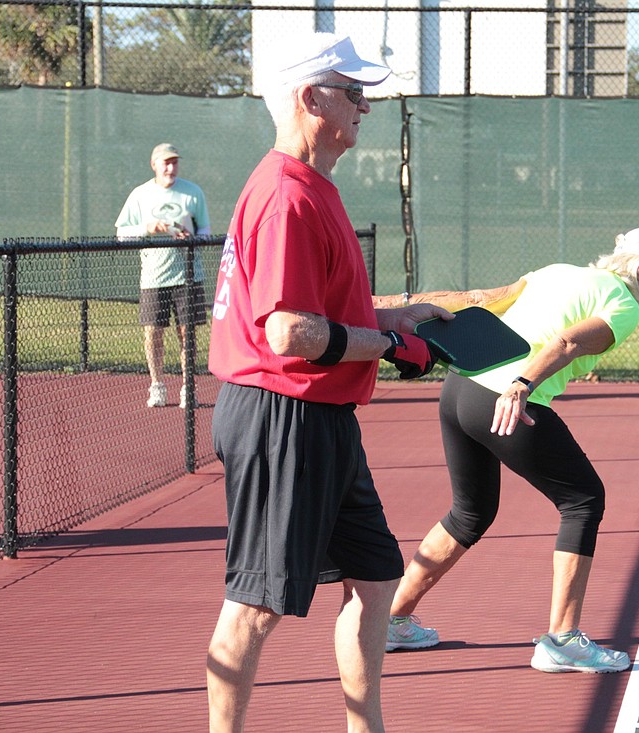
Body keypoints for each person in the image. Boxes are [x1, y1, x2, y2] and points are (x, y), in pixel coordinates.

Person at [204, 33, 451, 733]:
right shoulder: (286, 195)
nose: (365, 107)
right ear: (312, 98)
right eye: (355, 93)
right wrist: (392, 345)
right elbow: (290, 333)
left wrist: (395, 318)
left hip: (322, 418)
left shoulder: (314, 188)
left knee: (376, 580)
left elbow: (320, 313)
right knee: (257, 604)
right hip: (284, 415)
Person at [382, 227, 639, 673]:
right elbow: (566, 343)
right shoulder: (624, 304)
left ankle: (392, 619)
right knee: (584, 499)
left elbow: (478, 299)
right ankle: (563, 640)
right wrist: (521, 385)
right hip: (503, 397)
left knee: (470, 512)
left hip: (459, 390)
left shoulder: (556, 272)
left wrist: (392, 304)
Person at [115, 142, 212, 408]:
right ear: (154, 164)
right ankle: (157, 385)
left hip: (189, 277)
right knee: (153, 333)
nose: (171, 167)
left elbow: (205, 232)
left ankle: (187, 388)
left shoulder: (193, 193)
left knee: (187, 333)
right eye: (165, 162)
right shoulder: (140, 195)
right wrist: (150, 227)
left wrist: (193, 238)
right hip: (154, 277)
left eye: (174, 162)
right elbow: (121, 234)